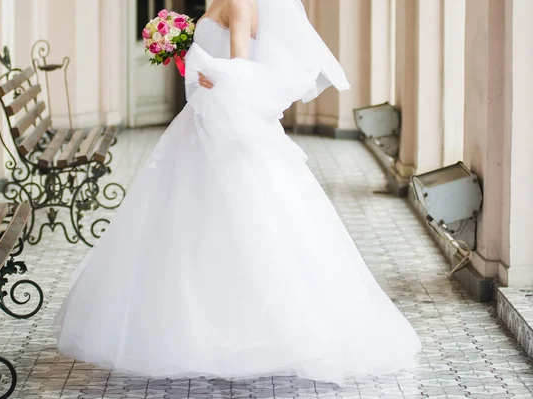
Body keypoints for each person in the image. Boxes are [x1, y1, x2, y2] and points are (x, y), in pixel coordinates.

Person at [54, 0, 421, 383]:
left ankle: (243, 332)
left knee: (239, 219)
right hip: (200, 119)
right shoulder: (222, 2)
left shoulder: (242, 5)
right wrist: (191, 56)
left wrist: (215, 74)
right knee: (188, 223)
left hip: (220, 122)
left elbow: (242, 70)